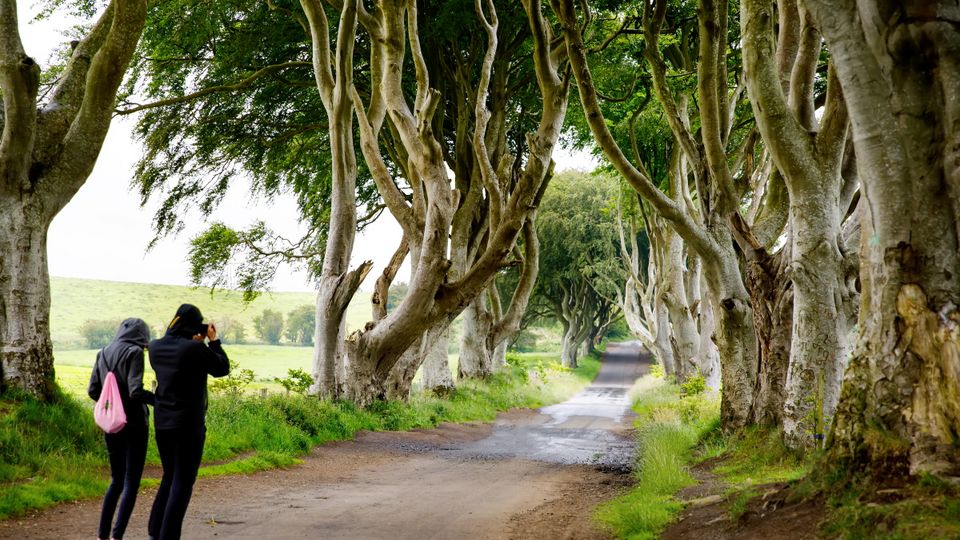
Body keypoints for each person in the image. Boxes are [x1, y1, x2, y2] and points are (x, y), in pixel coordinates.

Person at [147, 304, 229, 540]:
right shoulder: (194, 349)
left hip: (162, 422)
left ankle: (155, 531)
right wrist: (212, 342)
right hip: (188, 425)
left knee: (169, 476)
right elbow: (221, 368)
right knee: (183, 482)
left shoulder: (155, 347)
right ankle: (168, 535)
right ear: (194, 325)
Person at [88, 318, 154, 540]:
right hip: (135, 424)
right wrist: (159, 400)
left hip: (111, 425)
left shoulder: (103, 352)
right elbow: (136, 391)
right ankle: (117, 536)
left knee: (116, 480)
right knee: (131, 482)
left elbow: (93, 390)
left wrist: (112, 406)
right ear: (142, 335)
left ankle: (102, 535)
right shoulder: (135, 352)